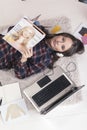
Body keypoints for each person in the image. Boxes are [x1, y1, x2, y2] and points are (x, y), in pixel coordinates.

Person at [0, 24, 84, 79]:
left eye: (62, 46)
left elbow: (21, 75)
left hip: (3, 56)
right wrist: (23, 26)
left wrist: (24, 59)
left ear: (61, 53)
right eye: (63, 39)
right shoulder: (40, 30)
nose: (59, 42)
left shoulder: (45, 59)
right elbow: (10, 30)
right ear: (61, 35)